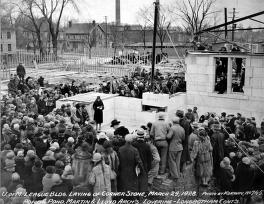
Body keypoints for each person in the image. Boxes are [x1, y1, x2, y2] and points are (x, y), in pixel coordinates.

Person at [167, 117, 185, 181]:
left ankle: (175, 176)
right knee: (177, 161)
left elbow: (168, 137)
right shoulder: (182, 128)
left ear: (173, 122)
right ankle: (178, 173)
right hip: (180, 147)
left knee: (172, 161)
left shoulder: (172, 128)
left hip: (173, 147)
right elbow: (183, 138)